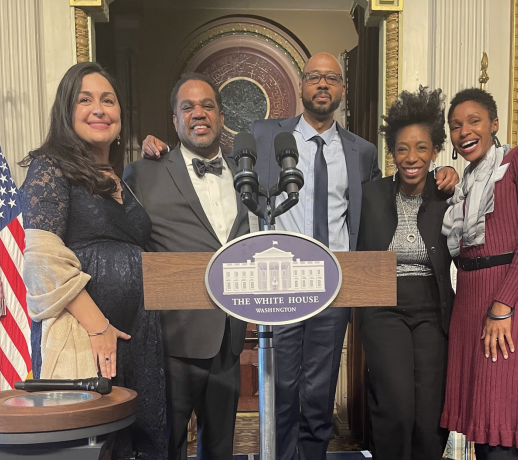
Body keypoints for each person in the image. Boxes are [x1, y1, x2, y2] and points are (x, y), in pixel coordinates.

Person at [141, 53, 459, 460]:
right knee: (281, 391)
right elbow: (205, 153)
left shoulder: (361, 152)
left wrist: (442, 174)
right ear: (301, 85)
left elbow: (389, 196)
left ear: (342, 90)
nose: (322, 84)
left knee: (320, 394)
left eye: (332, 78)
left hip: (334, 287)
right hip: (280, 286)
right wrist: (160, 146)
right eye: (314, 77)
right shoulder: (267, 136)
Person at [20, 62, 167, 459]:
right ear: (66, 112)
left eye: (108, 100)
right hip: (85, 336)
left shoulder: (122, 178)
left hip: (138, 336)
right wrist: (99, 326)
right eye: (85, 100)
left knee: (139, 440)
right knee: (93, 445)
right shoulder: (50, 167)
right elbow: (41, 259)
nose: (99, 109)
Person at [123, 73, 249, 460]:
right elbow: (129, 252)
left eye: (208, 105)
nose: (199, 113)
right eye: (188, 107)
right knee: (166, 446)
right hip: (170, 340)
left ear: (221, 116)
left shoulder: (248, 175)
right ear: (174, 120)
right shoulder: (143, 172)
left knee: (221, 449)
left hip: (229, 338)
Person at [440, 88, 518, 460]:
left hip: (513, 298)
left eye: (473, 121)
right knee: (483, 425)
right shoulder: (464, 185)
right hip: (472, 299)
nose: (464, 132)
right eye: (455, 126)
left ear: (494, 124)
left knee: (501, 429)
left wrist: (502, 305)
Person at [357, 87, 453, 460]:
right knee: (396, 408)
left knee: (429, 415)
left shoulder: (448, 194)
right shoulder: (370, 195)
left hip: (433, 308)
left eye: (422, 148)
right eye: (402, 149)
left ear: (435, 151)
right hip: (383, 307)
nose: (411, 157)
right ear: (391, 152)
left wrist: (454, 178)